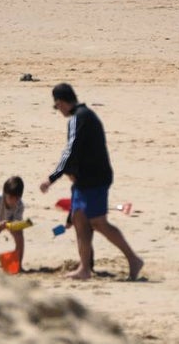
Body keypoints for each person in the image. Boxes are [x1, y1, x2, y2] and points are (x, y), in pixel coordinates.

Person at [39, 83, 143, 281]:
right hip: (84, 178)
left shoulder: (78, 118)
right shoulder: (85, 115)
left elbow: (70, 150)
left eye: (57, 106)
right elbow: (78, 150)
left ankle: (133, 259)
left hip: (95, 178)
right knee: (79, 219)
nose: (58, 111)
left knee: (98, 222)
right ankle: (84, 268)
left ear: (60, 103)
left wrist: (52, 178)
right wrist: (70, 171)